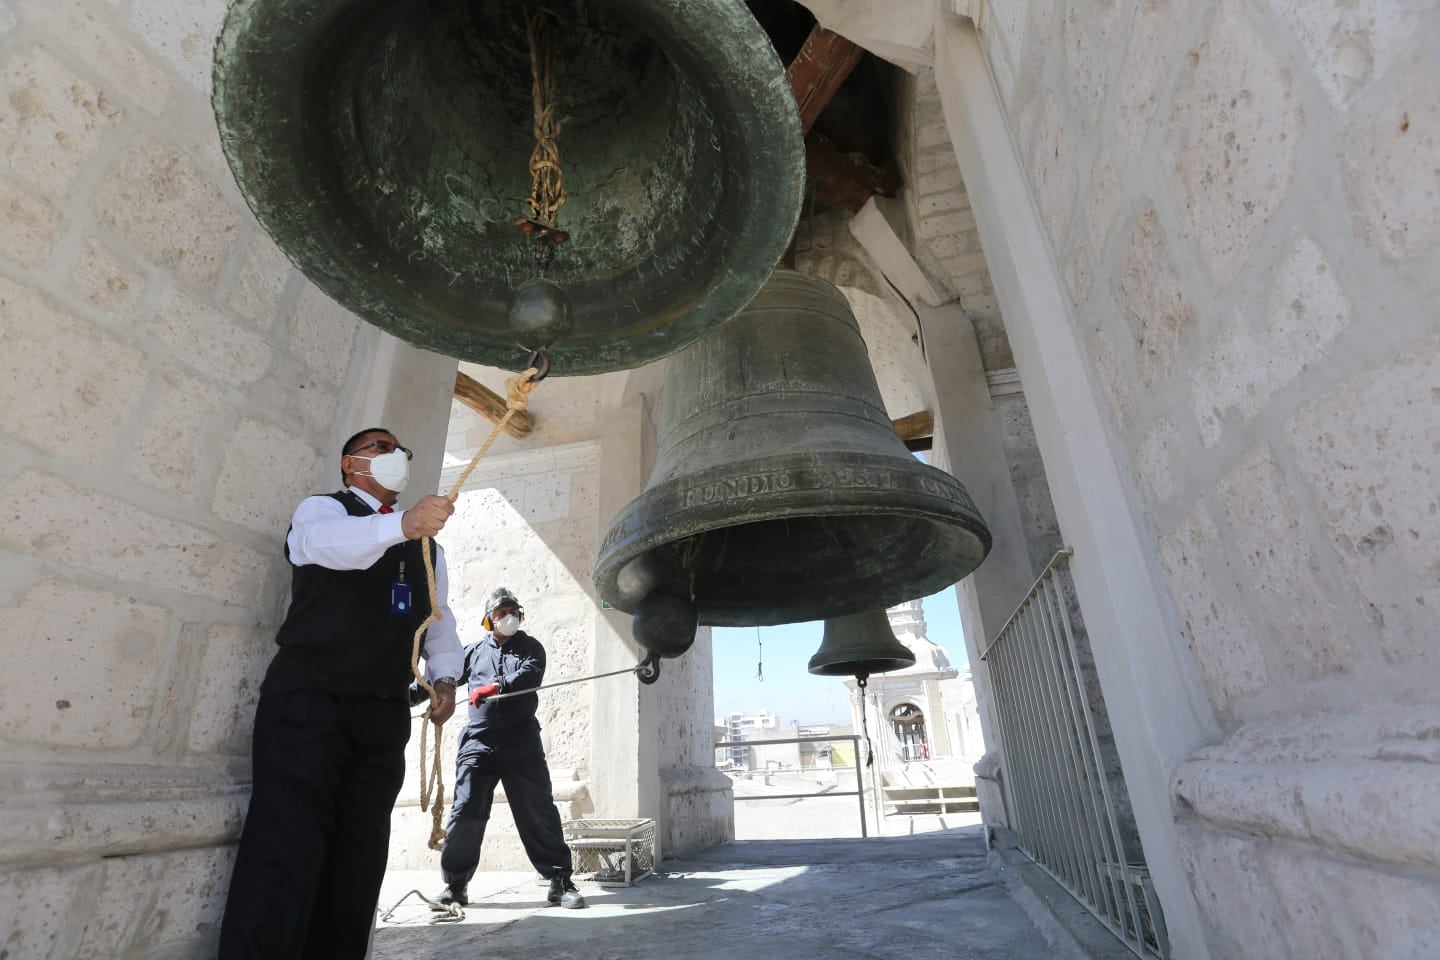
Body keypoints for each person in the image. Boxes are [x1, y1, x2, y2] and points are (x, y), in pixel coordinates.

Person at [218, 428, 464, 959]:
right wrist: (401, 523)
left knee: (361, 850)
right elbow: (321, 550)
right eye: (381, 447)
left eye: (402, 449)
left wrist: (444, 677)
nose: (396, 454)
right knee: (287, 842)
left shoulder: (427, 548)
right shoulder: (322, 512)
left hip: (381, 711)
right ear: (350, 464)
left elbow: (438, 622)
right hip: (311, 701)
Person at [435, 586, 587, 910]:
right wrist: (415, 692)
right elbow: (445, 678)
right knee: (465, 810)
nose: (508, 618)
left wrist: (495, 687)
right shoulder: (473, 652)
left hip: (520, 741)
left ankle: (560, 880)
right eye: (501, 613)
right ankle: (456, 886)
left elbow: (529, 676)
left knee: (537, 809)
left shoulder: (532, 648)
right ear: (489, 621)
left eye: (513, 612)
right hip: (478, 741)